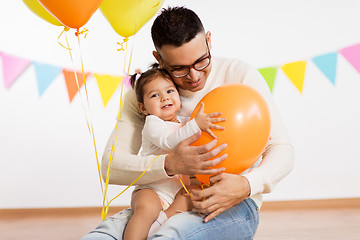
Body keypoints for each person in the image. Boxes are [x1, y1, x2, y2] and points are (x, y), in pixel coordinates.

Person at [80, 6, 294, 240]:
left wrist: (246, 184)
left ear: (209, 41)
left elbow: (282, 149)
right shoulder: (147, 92)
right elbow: (111, 168)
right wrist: (170, 164)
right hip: (160, 200)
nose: (193, 76)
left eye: (201, 61)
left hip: (229, 203)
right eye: (179, 69)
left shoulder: (241, 75)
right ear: (158, 59)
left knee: (170, 236)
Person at [123, 67, 225, 239]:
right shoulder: (153, 124)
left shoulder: (185, 122)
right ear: (143, 108)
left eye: (170, 91)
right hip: (152, 189)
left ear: (178, 96)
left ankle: (161, 222)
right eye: (154, 95)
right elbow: (169, 142)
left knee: (193, 198)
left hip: (178, 190)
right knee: (146, 210)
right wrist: (196, 125)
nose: (165, 97)